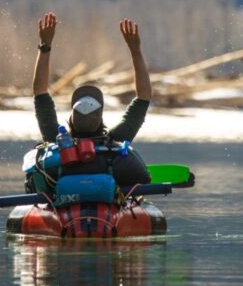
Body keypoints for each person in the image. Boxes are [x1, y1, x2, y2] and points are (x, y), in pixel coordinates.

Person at [31, 12, 152, 185]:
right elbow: (143, 98)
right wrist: (135, 51)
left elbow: (39, 93)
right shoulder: (116, 142)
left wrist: (45, 45)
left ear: (72, 116)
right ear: (100, 116)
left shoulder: (55, 141)